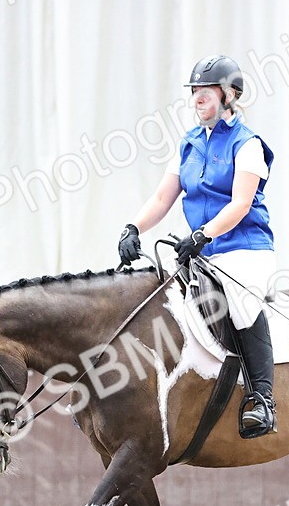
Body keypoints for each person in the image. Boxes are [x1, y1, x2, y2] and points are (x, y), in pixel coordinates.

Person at [117, 54, 278, 438]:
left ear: (229, 95)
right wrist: (133, 227)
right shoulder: (188, 144)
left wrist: (204, 233)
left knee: (239, 301)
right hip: (201, 252)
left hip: (244, 248)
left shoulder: (247, 144)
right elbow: (162, 198)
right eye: (194, 92)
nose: (197, 99)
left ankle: (263, 400)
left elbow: (241, 204)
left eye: (206, 92)